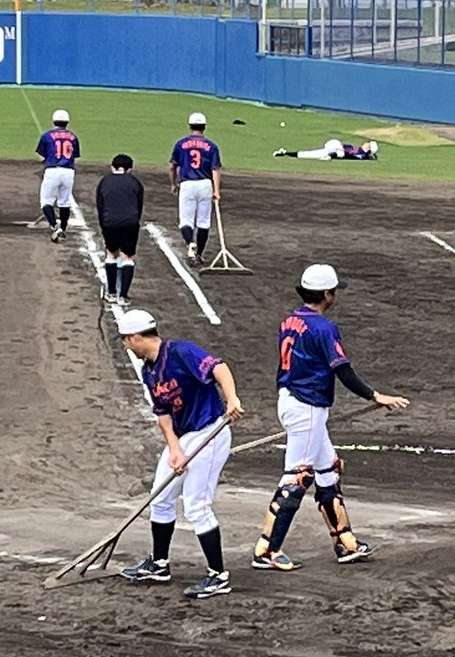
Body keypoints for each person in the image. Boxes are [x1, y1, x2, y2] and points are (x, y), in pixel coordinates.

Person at [251, 264, 410, 572]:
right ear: (327, 294)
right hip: (306, 407)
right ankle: (267, 550)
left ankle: (345, 543)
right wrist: (375, 396)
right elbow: (342, 370)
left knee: (328, 471)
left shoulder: (290, 320)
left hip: (293, 401)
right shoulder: (324, 328)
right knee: (298, 477)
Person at [116, 309, 245, 600]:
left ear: (137, 337)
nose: (126, 346)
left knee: (197, 506)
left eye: (126, 340)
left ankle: (218, 576)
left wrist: (232, 398)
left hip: (210, 432)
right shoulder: (148, 370)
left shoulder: (181, 351)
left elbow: (219, 369)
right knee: (160, 498)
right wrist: (174, 450)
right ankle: (159, 564)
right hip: (185, 437)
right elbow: (163, 414)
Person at [169, 112, 222, 267]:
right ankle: (199, 255)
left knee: (186, 220)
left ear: (190, 126)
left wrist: (173, 184)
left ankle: (190, 243)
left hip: (187, 184)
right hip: (205, 184)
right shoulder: (212, 146)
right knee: (204, 222)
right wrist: (216, 190)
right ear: (204, 127)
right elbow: (215, 169)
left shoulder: (180, 144)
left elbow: (172, 166)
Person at [96, 154, 144, 308]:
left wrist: (104, 225)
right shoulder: (135, 182)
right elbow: (139, 205)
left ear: (112, 167)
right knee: (127, 257)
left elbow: (100, 205)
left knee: (111, 254)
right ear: (129, 169)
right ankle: (123, 296)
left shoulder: (105, 181)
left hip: (110, 222)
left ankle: (111, 293)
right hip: (130, 222)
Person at [36, 109, 80, 243]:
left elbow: (40, 155)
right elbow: (75, 156)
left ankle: (55, 227)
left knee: (46, 201)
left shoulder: (46, 136)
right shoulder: (73, 137)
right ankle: (64, 228)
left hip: (52, 170)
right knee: (64, 201)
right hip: (68, 171)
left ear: (53, 121)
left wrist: (47, 161)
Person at [272, 139, 378, 161]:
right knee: (313, 154)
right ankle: (284, 153)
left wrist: (331, 156)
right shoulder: (360, 150)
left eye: (368, 143)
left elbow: (346, 155)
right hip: (335, 145)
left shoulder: (361, 154)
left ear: (369, 147)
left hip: (335, 149)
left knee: (310, 154)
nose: (366, 142)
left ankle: (284, 153)